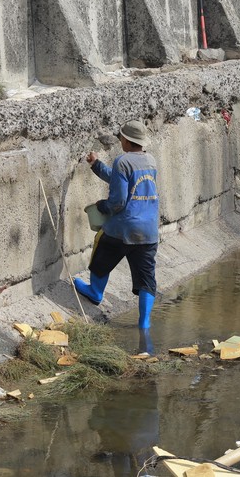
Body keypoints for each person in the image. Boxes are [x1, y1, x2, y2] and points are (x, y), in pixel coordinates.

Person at [74, 120, 159, 328]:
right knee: (146, 277)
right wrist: (97, 165)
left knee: (101, 247)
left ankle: (95, 292)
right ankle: (144, 322)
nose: (120, 140)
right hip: (148, 231)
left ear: (127, 141)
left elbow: (119, 202)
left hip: (123, 228)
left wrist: (102, 206)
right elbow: (121, 180)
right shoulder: (151, 161)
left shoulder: (122, 161)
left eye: (121, 137)